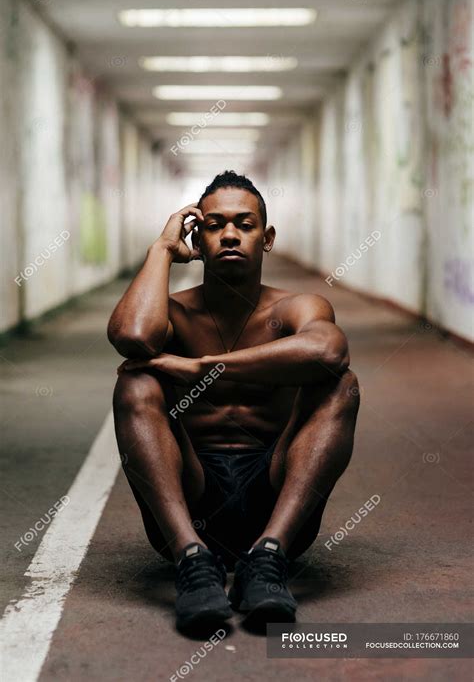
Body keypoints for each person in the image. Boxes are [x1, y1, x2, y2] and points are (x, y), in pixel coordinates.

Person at [108, 170, 360, 631]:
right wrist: (161, 249)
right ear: (197, 239)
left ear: (267, 239)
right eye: (213, 224)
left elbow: (329, 350)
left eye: (245, 224)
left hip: (275, 494)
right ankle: (192, 560)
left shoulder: (295, 308)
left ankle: (267, 559)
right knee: (135, 385)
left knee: (342, 384)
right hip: (192, 497)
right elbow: (133, 336)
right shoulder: (176, 313)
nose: (229, 234)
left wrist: (203, 368)